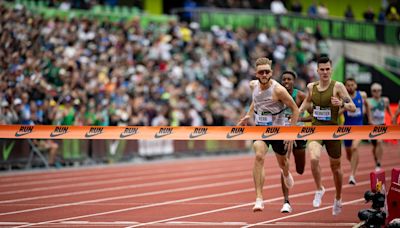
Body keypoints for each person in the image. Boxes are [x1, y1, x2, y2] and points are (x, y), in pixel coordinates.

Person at [237, 57, 299, 212]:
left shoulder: (278, 90)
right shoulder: (253, 86)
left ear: (271, 72)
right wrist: (248, 115)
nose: (264, 74)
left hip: (278, 132)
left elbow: (295, 109)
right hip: (261, 131)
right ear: (256, 74)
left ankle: (286, 173)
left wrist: (290, 134)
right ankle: (259, 198)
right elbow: (256, 101)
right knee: (259, 156)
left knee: (283, 164)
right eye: (261, 72)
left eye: (267, 71)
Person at [299, 56, 356, 216]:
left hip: (333, 131)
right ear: (317, 71)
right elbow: (306, 102)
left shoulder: (338, 87)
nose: (324, 72)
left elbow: (352, 107)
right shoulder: (311, 87)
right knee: (314, 157)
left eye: (327, 69)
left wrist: (342, 104)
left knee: (336, 168)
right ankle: (319, 189)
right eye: (322, 69)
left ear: (331, 70)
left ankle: (338, 198)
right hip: (316, 130)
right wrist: (299, 112)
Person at [280, 70, 308, 213]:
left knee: (300, 169)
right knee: (284, 164)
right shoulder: (277, 95)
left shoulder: (301, 96)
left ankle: (295, 171)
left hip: (299, 135)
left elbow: (314, 115)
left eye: (289, 79)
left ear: (293, 81)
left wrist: (298, 119)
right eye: (283, 79)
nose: (286, 82)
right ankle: (286, 201)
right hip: (284, 135)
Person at [341, 78, 371, 185]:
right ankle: (354, 164)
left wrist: (369, 118)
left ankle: (352, 175)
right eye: (348, 85)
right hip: (346, 130)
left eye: (352, 85)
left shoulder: (362, 95)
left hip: (359, 128)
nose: (350, 87)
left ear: (356, 85)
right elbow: (339, 112)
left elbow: (367, 105)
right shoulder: (343, 98)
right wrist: (343, 107)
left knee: (354, 147)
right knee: (349, 154)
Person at [368, 82, 393, 171]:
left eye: (378, 91)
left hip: (381, 125)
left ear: (381, 91)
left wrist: (393, 119)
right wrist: (370, 121)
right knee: (374, 147)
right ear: (372, 92)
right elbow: (367, 113)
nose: (376, 92)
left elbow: (389, 110)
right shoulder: (369, 101)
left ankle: (378, 163)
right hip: (372, 126)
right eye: (374, 91)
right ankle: (376, 161)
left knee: (379, 142)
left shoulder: (385, 100)